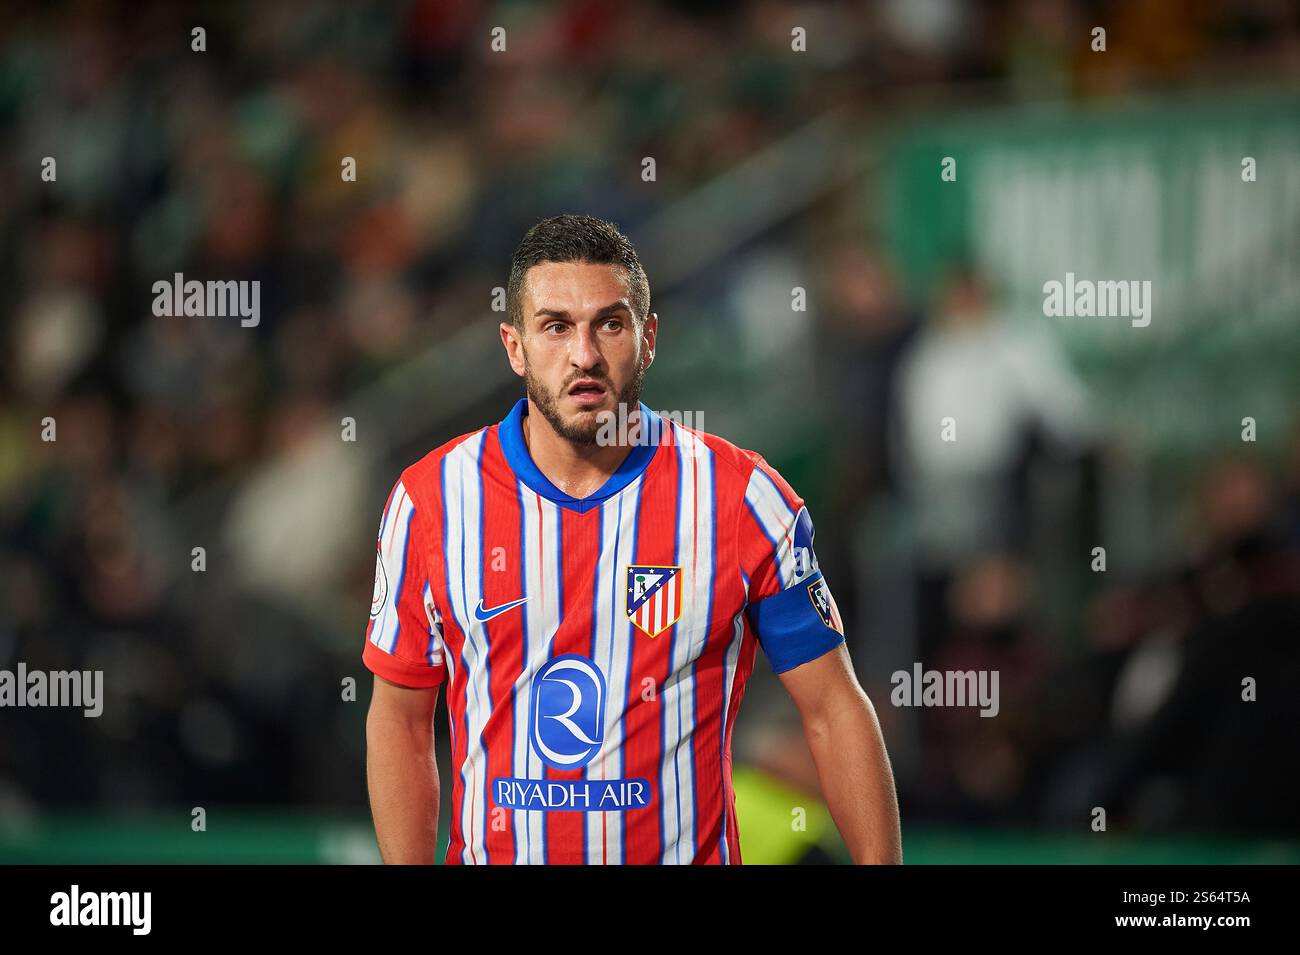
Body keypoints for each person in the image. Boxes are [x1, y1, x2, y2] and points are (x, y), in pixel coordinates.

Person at [362, 214, 901, 864]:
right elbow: (399, 718)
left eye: (609, 324)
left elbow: (833, 708)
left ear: (648, 339)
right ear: (514, 345)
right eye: (555, 325)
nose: (583, 354)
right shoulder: (431, 502)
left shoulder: (741, 499)